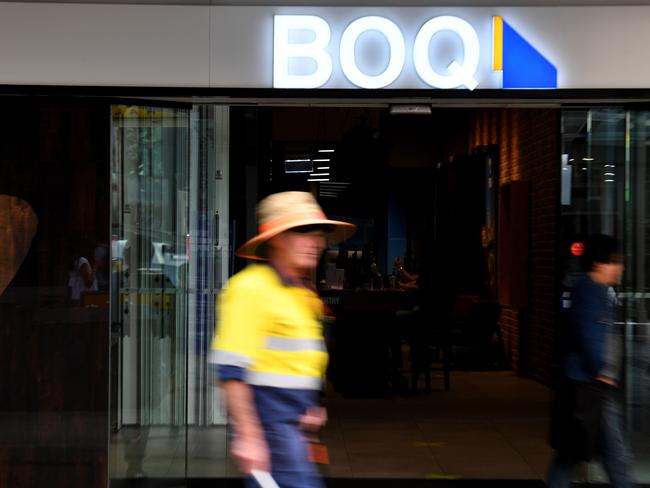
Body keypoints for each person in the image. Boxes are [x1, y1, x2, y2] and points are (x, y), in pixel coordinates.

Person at [209, 191, 356, 488]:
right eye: (302, 231)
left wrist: (309, 405)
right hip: (270, 426)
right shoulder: (250, 289)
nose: (315, 242)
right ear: (276, 238)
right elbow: (230, 371)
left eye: (318, 234)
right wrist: (249, 437)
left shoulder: (300, 293)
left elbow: (296, 361)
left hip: (293, 426)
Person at [547, 234, 633, 488]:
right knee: (611, 454)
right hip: (590, 387)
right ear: (600, 263)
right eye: (616, 261)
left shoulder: (592, 290)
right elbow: (590, 334)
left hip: (588, 386)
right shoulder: (590, 291)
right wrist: (603, 370)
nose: (621, 267)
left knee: (573, 454)